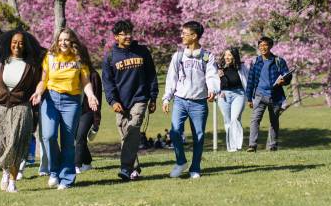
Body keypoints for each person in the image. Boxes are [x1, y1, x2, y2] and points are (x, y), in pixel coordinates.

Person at [31, 28, 100, 190]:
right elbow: (43, 80)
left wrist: (90, 95)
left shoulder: (78, 59)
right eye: (60, 39)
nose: (63, 43)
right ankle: (54, 171)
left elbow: (85, 82)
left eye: (66, 40)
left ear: (72, 41)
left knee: (68, 142)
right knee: (48, 136)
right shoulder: (50, 56)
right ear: (57, 41)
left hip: (72, 101)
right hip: (51, 99)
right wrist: (38, 92)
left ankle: (67, 178)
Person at [0, 30, 44, 193]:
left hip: (21, 108)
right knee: (0, 143)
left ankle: (13, 182)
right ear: (8, 43)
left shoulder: (32, 65)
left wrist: (35, 111)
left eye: (21, 43)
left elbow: (38, 85)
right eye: (14, 42)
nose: (17, 45)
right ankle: (5, 172)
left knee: (16, 144)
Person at [162, 21, 220, 179]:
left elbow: (211, 75)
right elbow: (171, 78)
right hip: (180, 100)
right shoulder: (178, 56)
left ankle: (195, 168)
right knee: (174, 132)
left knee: (199, 136)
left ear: (194, 36)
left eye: (184, 33)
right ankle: (181, 162)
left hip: (199, 103)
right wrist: (167, 98)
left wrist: (213, 90)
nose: (181, 36)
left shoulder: (207, 56)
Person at [102, 19, 159, 181]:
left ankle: (125, 168)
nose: (128, 36)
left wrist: (153, 97)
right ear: (116, 37)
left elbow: (151, 75)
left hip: (140, 98)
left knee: (133, 128)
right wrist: (113, 101)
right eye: (123, 34)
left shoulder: (142, 51)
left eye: (129, 33)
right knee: (125, 135)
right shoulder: (110, 57)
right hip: (120, 102)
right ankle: (133, 169)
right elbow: (108, 82)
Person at [245, 36, 292, 152]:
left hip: (275, 95)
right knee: (255, 119)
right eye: (260, 46)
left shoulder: (279, 61)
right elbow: (250, 80)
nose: (263, 48)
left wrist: (284, 81)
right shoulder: (256, 62)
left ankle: (272, 146)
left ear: (270, 46)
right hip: (259, 95)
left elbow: (287, 75)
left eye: (265, 45)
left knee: (274, 121)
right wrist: (249, 98)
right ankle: (252, 145)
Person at [217, 48, 248, 152]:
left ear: (234, 56)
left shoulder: (241, 67)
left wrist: (250, 97)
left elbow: (247, 81)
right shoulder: (219, 68)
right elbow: (214, 82)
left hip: (238, 94)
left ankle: (238, 145)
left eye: (229, 55)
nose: (227, 57)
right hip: (223, 95)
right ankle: (231, 147)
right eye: (225, 55)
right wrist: (218, 90)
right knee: (227, 121)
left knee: (235, 119)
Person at [75, 66, 102, 174]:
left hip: (88, 111)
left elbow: (97, 98)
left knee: (80, 137)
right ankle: (87, 163)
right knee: (77, 137)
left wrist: (96, 121)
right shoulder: (71, 72)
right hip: (74, 110)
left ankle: (76, 165)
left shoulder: (93, 75)